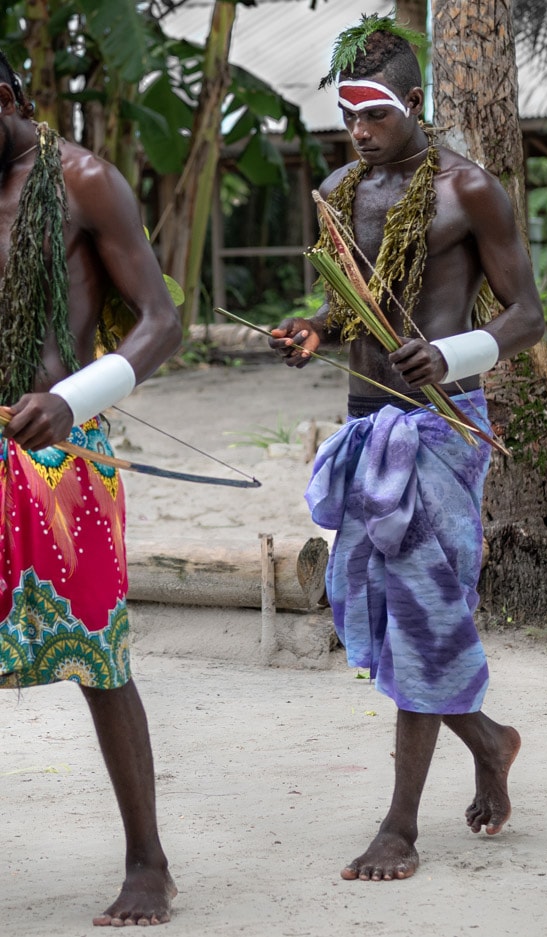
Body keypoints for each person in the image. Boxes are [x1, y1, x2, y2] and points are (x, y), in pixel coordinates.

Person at [269, 13, 545, 881]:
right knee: (393, 619)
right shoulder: (342, 191)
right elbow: (351, 305)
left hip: (440, 423)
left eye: (375, 112)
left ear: (414, 102)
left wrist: (454, 351)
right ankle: (490, 739)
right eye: (348, 112)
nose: (359, 128)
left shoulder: (470, 190)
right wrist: (313, 328)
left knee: (424, 617)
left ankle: (400, 827)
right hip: (365, 418)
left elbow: (528, 314)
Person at [0, 53, 182, 924]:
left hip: (64, 452)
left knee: (100, 658)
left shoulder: (82, 179)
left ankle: (148, 861)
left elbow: (162, 321)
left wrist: (72, 400)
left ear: (7, 101)